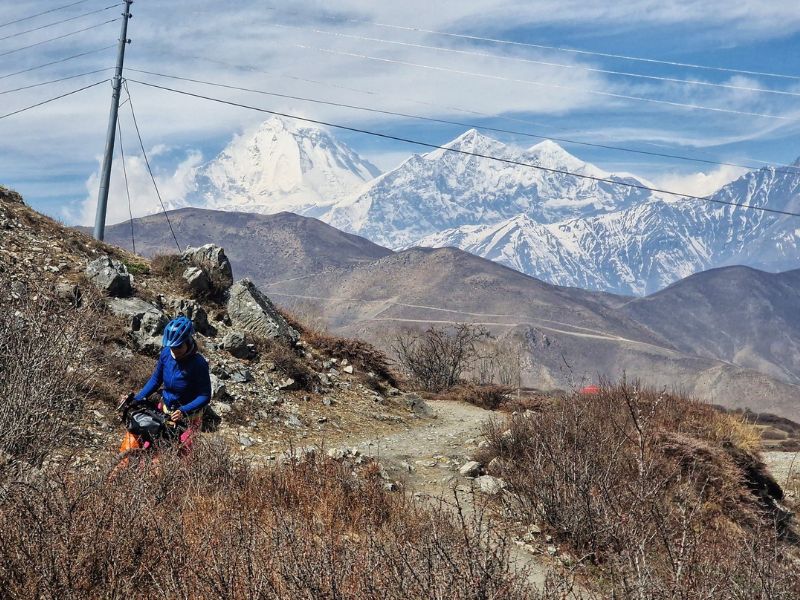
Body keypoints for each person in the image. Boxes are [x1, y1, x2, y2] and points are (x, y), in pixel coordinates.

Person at [126, 315, 211, 452]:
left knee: (180, 454)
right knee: (147, 445)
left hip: (189, 418)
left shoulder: (198, 364)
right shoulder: (166, 353)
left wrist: (183, 410)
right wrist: (137, 399)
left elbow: (205, 395)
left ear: (188, 341)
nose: (174, 351)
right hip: (164, 411)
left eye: (178, 347)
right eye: (171, 347)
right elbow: (155, 380)